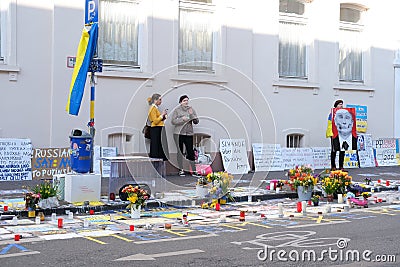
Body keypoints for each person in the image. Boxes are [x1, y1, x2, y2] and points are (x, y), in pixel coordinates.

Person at [171, 95, 199, 176]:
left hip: (189, 133)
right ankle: (181, 169)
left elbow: (196, 121)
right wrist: (181, 119)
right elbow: (173, 121)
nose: (186, 102)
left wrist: (192, 115)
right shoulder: (177, 110)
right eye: (184, 100)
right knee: (180, 152)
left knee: (190, 152)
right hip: (178, 133)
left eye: (187, 100)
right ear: (180, 102)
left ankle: (193, 170)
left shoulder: (191, 110)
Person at [148, 94, 169, 175]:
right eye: (160, 99)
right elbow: (155, 121)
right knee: (156, 149)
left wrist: (163, 116)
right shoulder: (152, 108)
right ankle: (156, 170)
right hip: (156, 130)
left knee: (160, 148)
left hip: (159, 129)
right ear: (155, 100)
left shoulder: (156, 108)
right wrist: (162, 115)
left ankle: (159, 170)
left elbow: (159, 120)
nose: (161, 101)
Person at [326, 100, 344, 170]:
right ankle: (333, 166)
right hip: (334, 133)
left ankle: (341, 166)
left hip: (342, 134)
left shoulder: (344, 113)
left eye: (342, 104)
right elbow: (330, 123)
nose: (341, 106)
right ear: (336, 105)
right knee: (334, 150)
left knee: (342, 150)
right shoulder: (332, 114)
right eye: (340, 104)